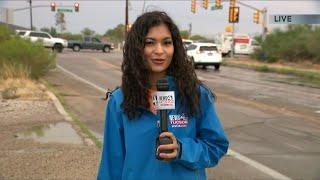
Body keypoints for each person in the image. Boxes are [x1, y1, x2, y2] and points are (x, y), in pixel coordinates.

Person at [97, 11, 229, 180]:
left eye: (166, 43)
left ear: (175, 48)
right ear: (137, 48)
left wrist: (182, 150)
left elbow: (215, 146)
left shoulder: (195, 95)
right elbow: (111, 165)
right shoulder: (119, 101)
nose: (159, 51)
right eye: (150, 43)